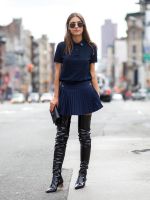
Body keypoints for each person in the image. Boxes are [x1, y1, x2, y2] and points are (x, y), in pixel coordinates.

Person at [46, 12, 103, 193]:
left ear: (83, 26)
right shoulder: (62, 47)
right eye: (72, 24)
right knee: (61, 136)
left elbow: (92, 72)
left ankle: (82, 175)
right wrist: (55, 97)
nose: (76, 26)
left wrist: (97, 93)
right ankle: (56, 178)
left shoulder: (91, 47)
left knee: (84, 135)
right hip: (66, 92)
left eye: (79, 24)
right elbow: (57, 75)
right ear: (68, 28)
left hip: (86, 91)